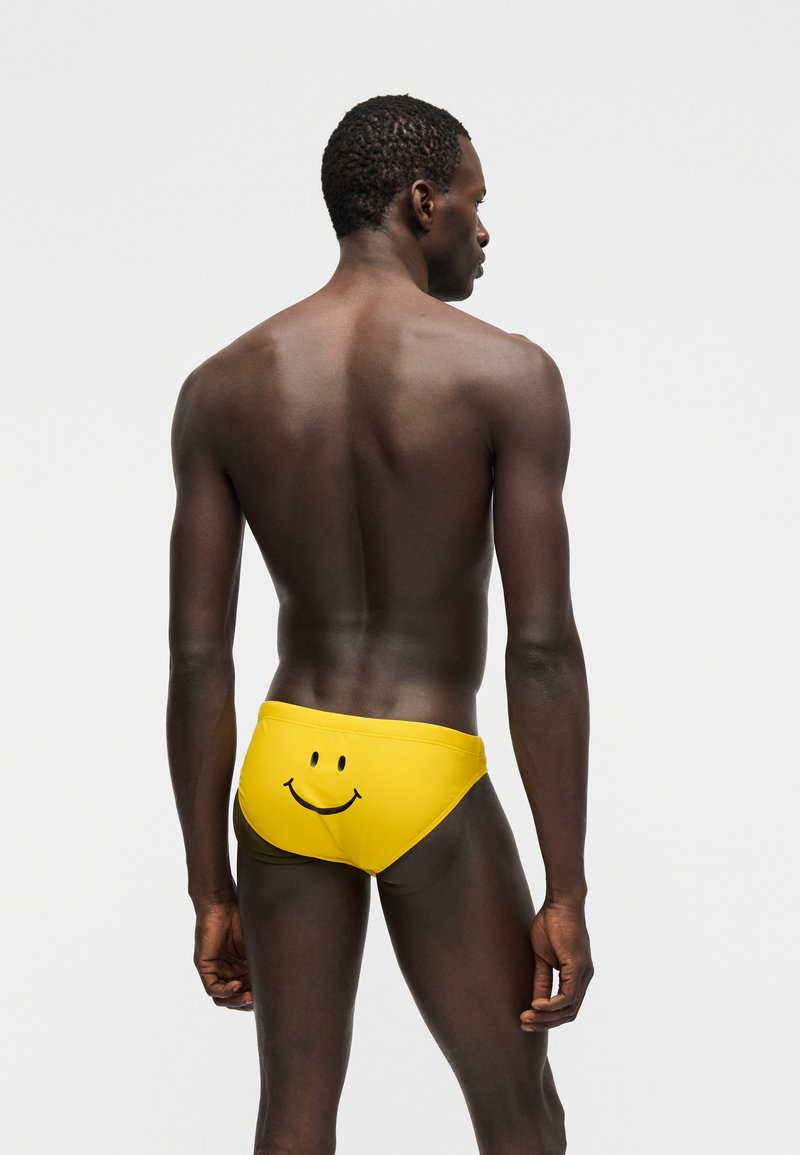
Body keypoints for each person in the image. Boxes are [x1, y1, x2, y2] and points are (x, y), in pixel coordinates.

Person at [167, 93, 593, 1155]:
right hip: (422, 769)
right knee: (520, 1114)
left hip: (282, 770)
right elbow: (541, 647)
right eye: (474, 202)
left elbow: (198, 661)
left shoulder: (221, 385)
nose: (484, 230)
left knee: (292, 1117)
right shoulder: (506, 374)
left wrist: (209, 885)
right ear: (422, 202)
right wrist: (565, 884)